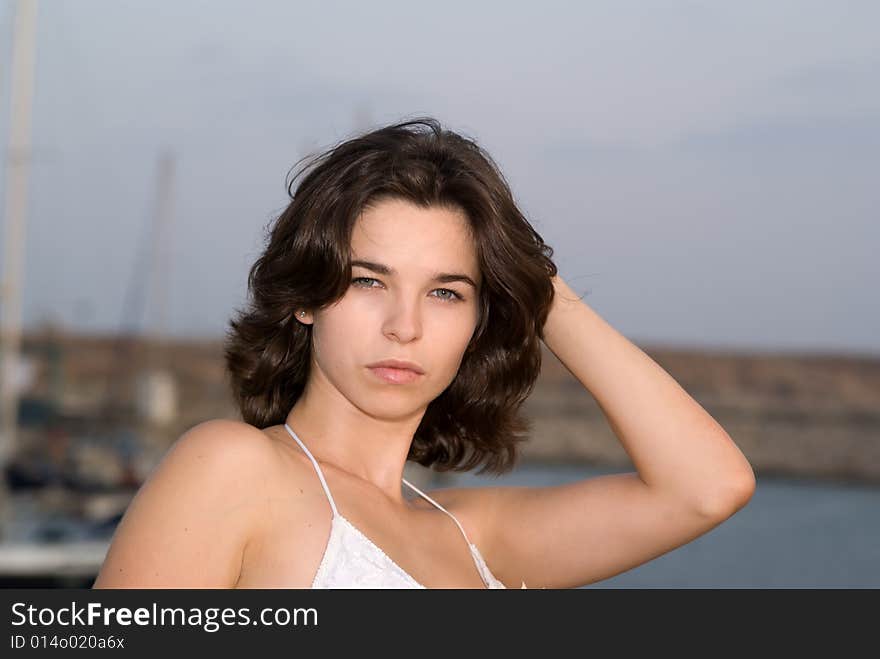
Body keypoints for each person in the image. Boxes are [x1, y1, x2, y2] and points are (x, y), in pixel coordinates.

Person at [93, 117, 755, 589]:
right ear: (306, 296)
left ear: (478, 320)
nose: (403, 326)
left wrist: (528, 277)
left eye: (445, 291)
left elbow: (707, 487)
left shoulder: (474, 535)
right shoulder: (234, 470)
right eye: (368, 281)